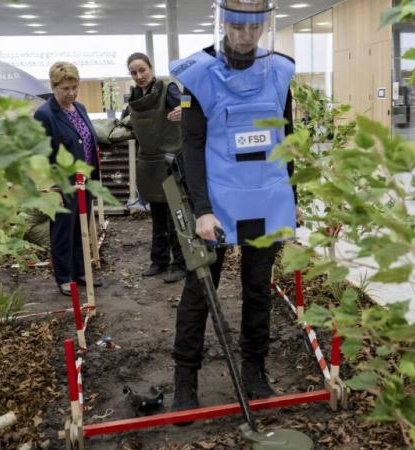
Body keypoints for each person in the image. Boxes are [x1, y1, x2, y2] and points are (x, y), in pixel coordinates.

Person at [168, 0, 297, 416]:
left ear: (264, 27)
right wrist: (202, 209)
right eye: (238, 27)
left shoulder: (279, 72)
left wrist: (292, 200)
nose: (245, 36)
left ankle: (254, 371)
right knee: (200, 291)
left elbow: (286, 138)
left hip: (266, 199)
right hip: (218, 205)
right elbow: (192, 144)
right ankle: (184, 380)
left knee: (258, 290)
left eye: (253, 28)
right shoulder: (200, 75)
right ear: (224, 24)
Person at [34, 62, 103, 296]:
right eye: (65, 89)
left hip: (86, 182)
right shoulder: (45, 115)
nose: (71, 93)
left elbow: (86, 141)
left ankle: (80, 272)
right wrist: (53, 188)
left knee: (80, 229)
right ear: (53, 87)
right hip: (64, 185)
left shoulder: (80, 108)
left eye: (75, 87)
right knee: (63, 231)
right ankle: (64, 277)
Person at [124, 52, 186, 283]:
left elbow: (187, 103)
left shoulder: (168, 89)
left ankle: (180, 263)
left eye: (142, 70)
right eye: (134, 72)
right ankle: (159, 261)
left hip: (170, 161)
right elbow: (127, 121)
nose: (139, 76)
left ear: (151, 68)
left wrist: (185, 110)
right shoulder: (134, 96)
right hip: (148, 163)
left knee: (175, 216)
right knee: (157, 216)